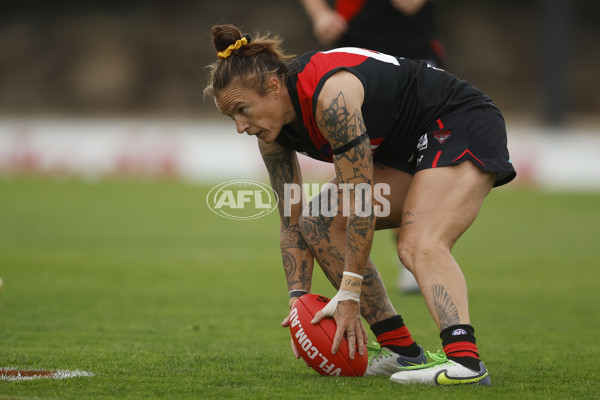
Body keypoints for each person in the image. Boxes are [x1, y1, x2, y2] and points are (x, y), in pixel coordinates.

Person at [204, 24, 515, 385]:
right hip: (404, 149)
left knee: (419, 244)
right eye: (232, 117)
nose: (241, 126)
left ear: (273, 87)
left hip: (458, 120)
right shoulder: (271, 133)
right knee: (316, 221)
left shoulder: (330, 99)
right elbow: (291, 218)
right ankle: (402, 350)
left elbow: (362, 200)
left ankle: (466, 364)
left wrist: (348, 293)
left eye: (243, 110)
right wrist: (298, 301)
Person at [300, 0, 446, 292]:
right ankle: (350, 266)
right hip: (352, 53)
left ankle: (414, 251)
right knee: (357, 158)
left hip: (411, 54)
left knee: (414, 156)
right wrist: (320, 14)